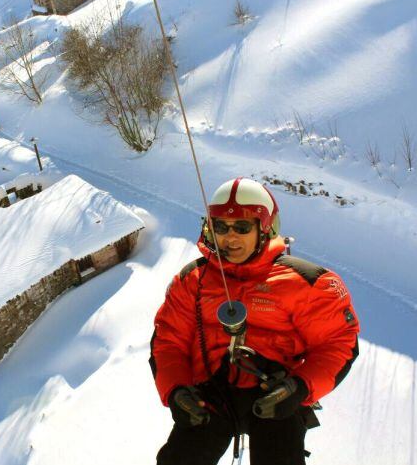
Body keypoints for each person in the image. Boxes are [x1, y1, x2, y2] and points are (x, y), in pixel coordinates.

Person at [150, 178, 360, 465]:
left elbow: (338, 343)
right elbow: (168, 341)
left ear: (265, 229)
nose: (230, 237)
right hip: (211, 393)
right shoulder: (192, 281)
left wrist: (299, 387)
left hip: (276, 395)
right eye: (221, 227)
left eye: (242, 227)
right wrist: (176, 391)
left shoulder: (308, 284)